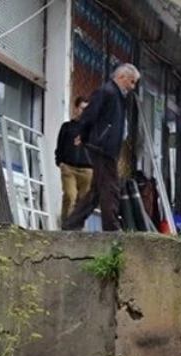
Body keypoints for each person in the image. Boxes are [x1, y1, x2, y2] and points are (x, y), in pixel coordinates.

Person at [62, 64, 140, 232]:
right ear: (121, 77)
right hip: (102, 146)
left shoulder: (118, 96)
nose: (132, 87)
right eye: (131, 82)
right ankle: (111, 227)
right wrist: (82, 135)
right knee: (110, 186)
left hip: (107, 147)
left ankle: (72, 222)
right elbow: (90, 115)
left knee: (97, 191)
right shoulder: (107, 92)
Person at [55, 96, 92, 226]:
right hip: (69, 167)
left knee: (83, 201)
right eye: (82, 108)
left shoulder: (92, 129)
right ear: (76, 108)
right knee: (70, 195)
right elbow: (60, 146)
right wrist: (60, 162)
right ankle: (66, 225)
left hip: (87, 169)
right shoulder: (67, 127)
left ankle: (78, 227)